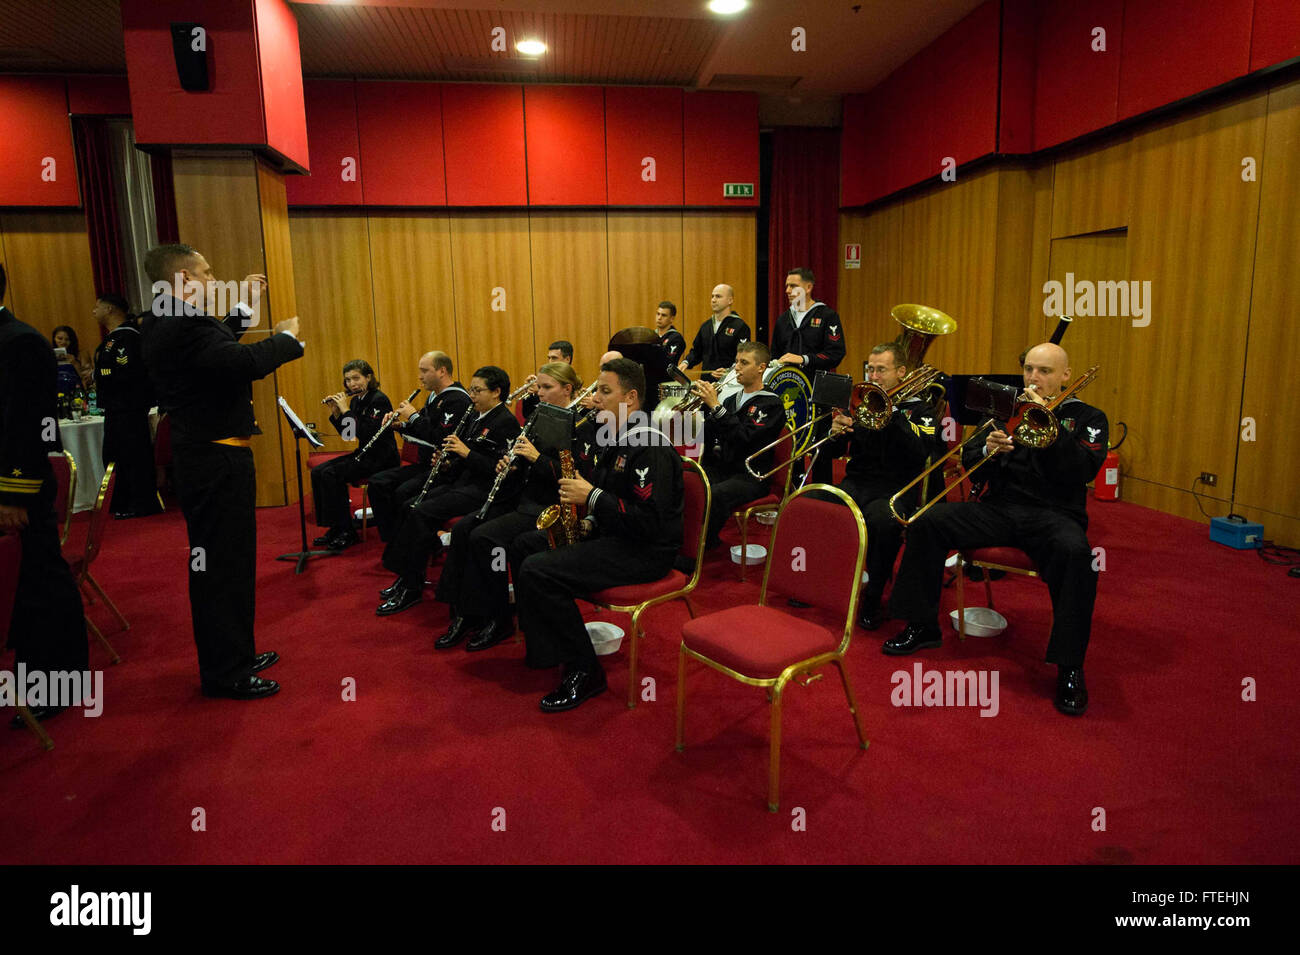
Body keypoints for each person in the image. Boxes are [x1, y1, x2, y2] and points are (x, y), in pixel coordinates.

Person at [883, 342, 1107, 716]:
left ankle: (1070, 666)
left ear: (1066, 376)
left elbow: (1083, 470)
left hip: (1055, 515)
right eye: (1030, 369)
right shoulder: (1006, 411)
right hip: (1001, 508)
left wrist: (1049, 430)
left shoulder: (1089, 417)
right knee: (929, 522)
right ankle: (921, 625)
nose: (1034, 377)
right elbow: (969, 463)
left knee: (1077, 557)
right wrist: (987, 449)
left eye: (1045, 371)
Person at [139, 243, 302, 700]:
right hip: (214, 460)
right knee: (221, 567)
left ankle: (238, 654)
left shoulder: (164, 318)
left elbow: (220, 342)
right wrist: (287, 340)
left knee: (230, 562)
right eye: (207, 273)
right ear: (184, 280)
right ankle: (225, 672)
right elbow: (241, 362)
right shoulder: (184, 323)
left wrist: (246, 305)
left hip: (208, 455)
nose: (214, 280)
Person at [513, 357, 684, 712]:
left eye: (605, 391)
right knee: (523, 545)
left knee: (538, 570)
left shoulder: (649, 445)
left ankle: (584, 671)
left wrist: (590, 497)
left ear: (632, 398)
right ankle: (548, 648)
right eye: (597, 390)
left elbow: (648, 523)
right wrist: (589, 521)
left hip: (645, 551)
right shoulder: (617, 437)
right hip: (618, 535)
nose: (596, 399)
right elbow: (615, 503)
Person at [433, 361, 597, 651]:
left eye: (547, 388)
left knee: (485, 538)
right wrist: (510, 466)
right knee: (464, 529)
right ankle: (465, 611)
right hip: (523, 497)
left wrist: (534, 459)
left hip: (551, 506)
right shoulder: (540, 415)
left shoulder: (580, 425)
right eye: (540, 387)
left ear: (567, 389)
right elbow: (526, 464)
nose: (540, 393)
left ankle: (498, 618)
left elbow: (575, 477)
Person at [0, 264, 89, 726]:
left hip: (19, 487)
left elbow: (28, 425)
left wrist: (12, 494)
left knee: (38, 586)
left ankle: (58, 683)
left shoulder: (19, 341)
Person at [811, 341, 944, 629]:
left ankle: (873, 593)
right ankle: (817, 582)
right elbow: (833, 453)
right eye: (870, 369)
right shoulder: (861, 403)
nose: (873, 376)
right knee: (818, 506)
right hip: (858, 481)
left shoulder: (921, 410)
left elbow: (920, 453)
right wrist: (835, 434)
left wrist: (891, 414)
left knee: (883, 522)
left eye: (881, 370)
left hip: (897, 487)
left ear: (901, 372)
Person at [375, 366, 520, 616]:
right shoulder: (476, 416)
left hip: (483, 491)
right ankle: (407, 575)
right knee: (411, 505)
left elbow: (497, 469)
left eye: (477, 390)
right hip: (462, 482)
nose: (471, 395)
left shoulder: (505, 422)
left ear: (496, 392)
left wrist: (465, 453)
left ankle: (412, 586)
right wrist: (448, 459)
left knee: (421, 512)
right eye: (471, 389)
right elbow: (466, 457)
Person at [685, 341, 783, 561]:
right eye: (736, 362)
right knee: (688, 481)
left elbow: (744, 438)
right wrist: (698, 410)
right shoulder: (731, 399)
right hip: (724, 467)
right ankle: (682, 540)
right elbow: (710, 436)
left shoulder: (771, 405)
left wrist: (716, 408)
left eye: (744, 363)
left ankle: (699, 549)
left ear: (761, 367)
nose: (736, 367)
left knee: (716, 494)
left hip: (751, 475)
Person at [366, 351, 471, 543]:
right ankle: (393, 537)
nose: (420, 376)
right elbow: (423, 428)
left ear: (442, 371)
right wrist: (400, 425)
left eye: (424, 371)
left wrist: (413, 416)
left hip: (444, 469)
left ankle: (407, 540)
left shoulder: (458, 400)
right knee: (378, 483)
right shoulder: (434, 397)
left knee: (402, 492)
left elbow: (440, 438)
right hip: (426, 463)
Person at [309, 359, 399, 550]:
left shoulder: (378, 399)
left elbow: (367, 433)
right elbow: (348, 434)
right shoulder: (357, 399)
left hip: (380, 458)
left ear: (368, 377)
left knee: (331, 474)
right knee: (318, 472)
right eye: (348, 380)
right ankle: (335, 526)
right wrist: (336, 413)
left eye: (356, 378)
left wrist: (346, 410)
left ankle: (347, 531)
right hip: (364, 454)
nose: (352, 384)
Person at [772, 267, 846, 485]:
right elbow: (775, 353)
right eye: (786, 286)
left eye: (793, 286)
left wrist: (804, 359)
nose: (787, 290)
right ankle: (790, 487)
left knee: (820, 445)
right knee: (791, 438)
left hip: (820, 389)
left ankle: (820, 492)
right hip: (790, 391)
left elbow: (836, 353)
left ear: (808, 287)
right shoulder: (783, 319)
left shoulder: (827, 316)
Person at [92, 292, 161, 519]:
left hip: (128, 407)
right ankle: (122, 500)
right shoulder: (114, 338)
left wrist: (98, 374)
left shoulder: (127, 338)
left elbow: (126, 371)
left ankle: (139, 502)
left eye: (98, 306)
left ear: (110, 309)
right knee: (115, 455)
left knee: (133, 455)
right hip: (116, 407)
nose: (94, 311)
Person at [678, 284, 750, 381]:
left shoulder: (740, 326)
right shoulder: (706, 326)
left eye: (718, 296)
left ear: (730, 300)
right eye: (712, 296)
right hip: (706, 383)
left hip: (728, 382)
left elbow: (744, 356)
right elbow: (696, 352)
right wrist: (686, 362)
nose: (713, 300)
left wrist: (729, 371)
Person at [520, 340, 574, 420]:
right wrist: (529, 394)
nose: (550, 362)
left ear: (567, 359)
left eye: (554, 358)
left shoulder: (574, 383)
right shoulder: (540, 383)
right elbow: (527, 414)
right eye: (549, 358)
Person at [52, 325, 93, 395]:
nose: (63, 342)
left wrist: (75, 363)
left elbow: (88, 379)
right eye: (59, 338)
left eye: (67, 339)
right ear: (54, 339)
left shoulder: (81, 354)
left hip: (77, 391)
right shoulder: (49, 354)